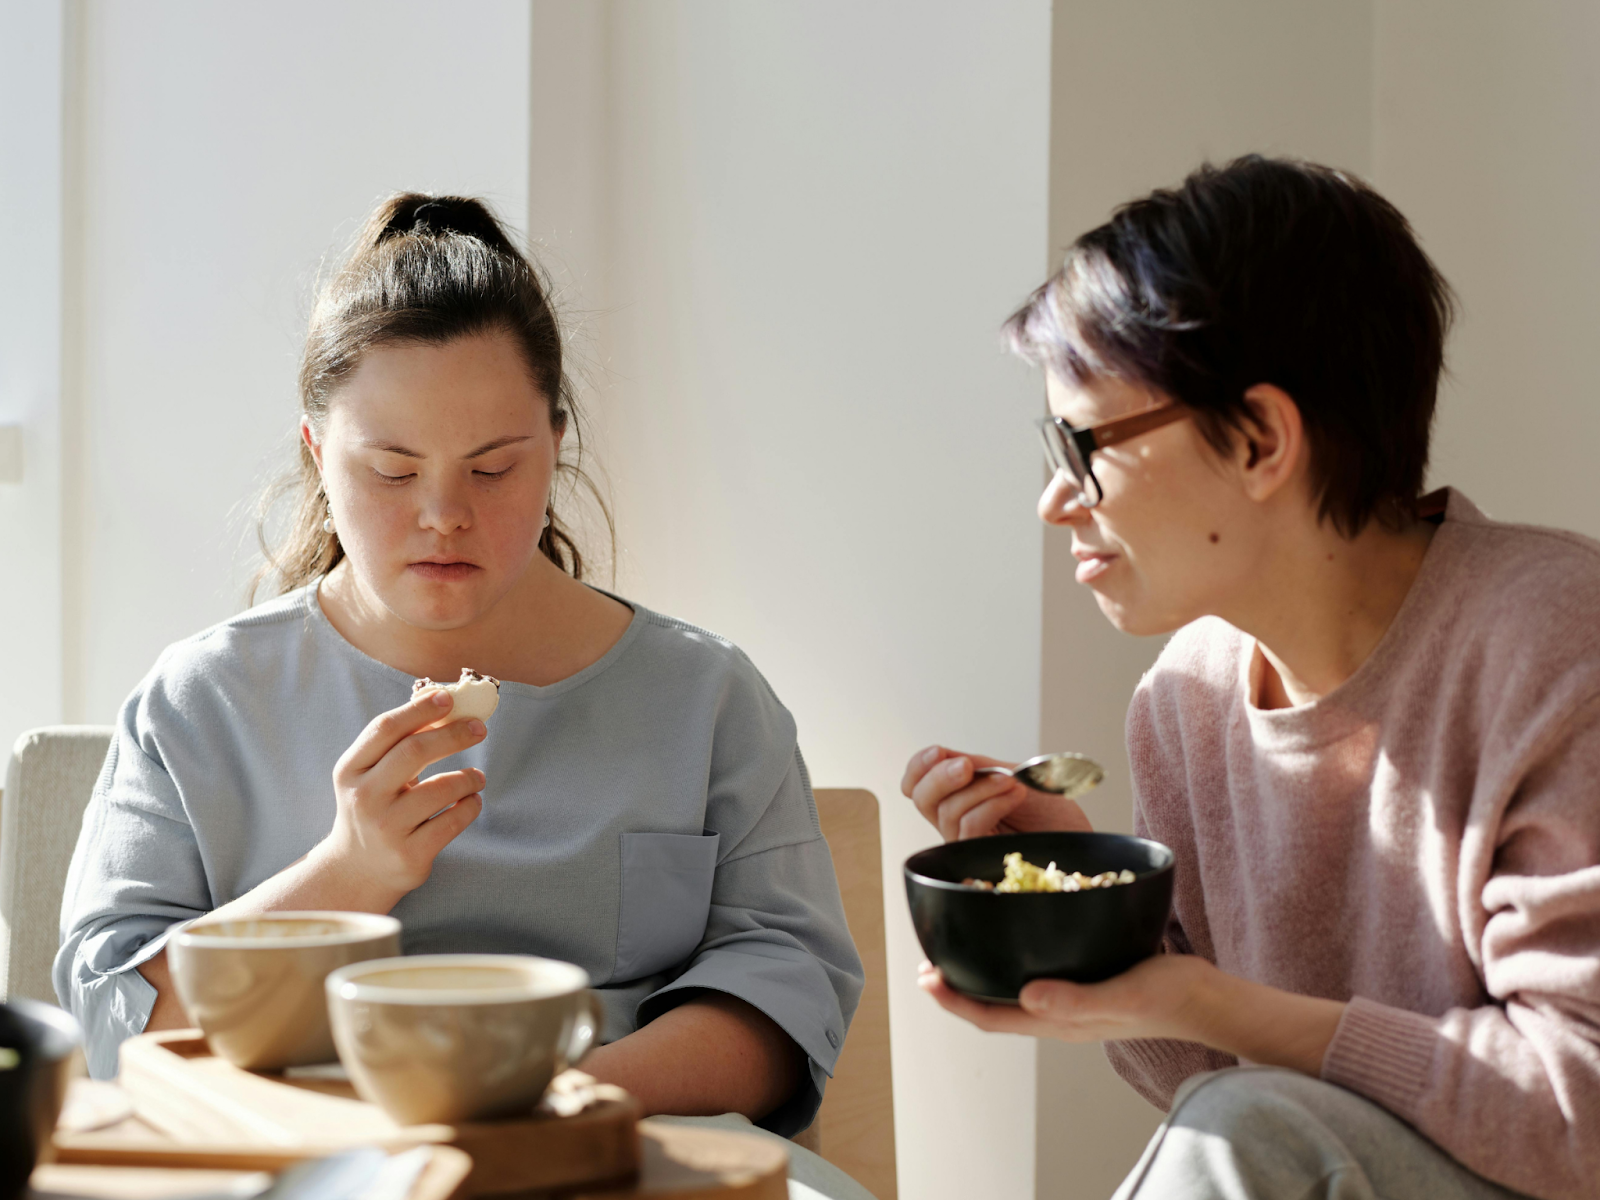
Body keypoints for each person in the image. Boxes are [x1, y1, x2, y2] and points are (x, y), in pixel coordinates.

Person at [55, 195, 864, 1164]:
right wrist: (347, 873)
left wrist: (559, 1098)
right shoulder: (199, 702)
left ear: (555, 445)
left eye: (492, 468)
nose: (444, 514)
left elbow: (788, 985)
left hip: (624, 1154)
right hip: (299, 1167)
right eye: (393, 471)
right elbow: (112, 1017)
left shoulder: (708, 699)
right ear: (318, 454)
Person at [902, 156, 1600, 1200]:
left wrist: (1208, 1003)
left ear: (1262, 438)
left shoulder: (1552, 642)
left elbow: (1576, 1112)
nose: (1057, 499)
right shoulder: (1185, 699)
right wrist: (1098, 913)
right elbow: (1220, 1085)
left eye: (1083, 443)